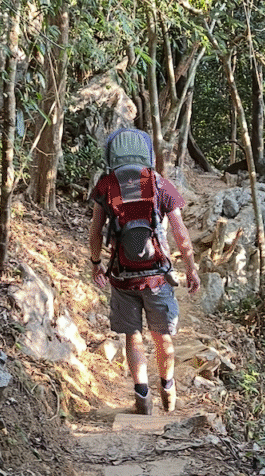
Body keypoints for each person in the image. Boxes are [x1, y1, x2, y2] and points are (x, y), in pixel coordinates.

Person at [88, 142, 201, 415]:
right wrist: (191, 268)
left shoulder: (106, 185)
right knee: (162, 336)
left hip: (122, 275)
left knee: (133, 335)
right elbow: (180, 234)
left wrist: (96, 264)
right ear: (147, 156)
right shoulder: (160, 184)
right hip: (157, 276)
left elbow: (95, 232)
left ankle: (142, 396)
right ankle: (168, 389)